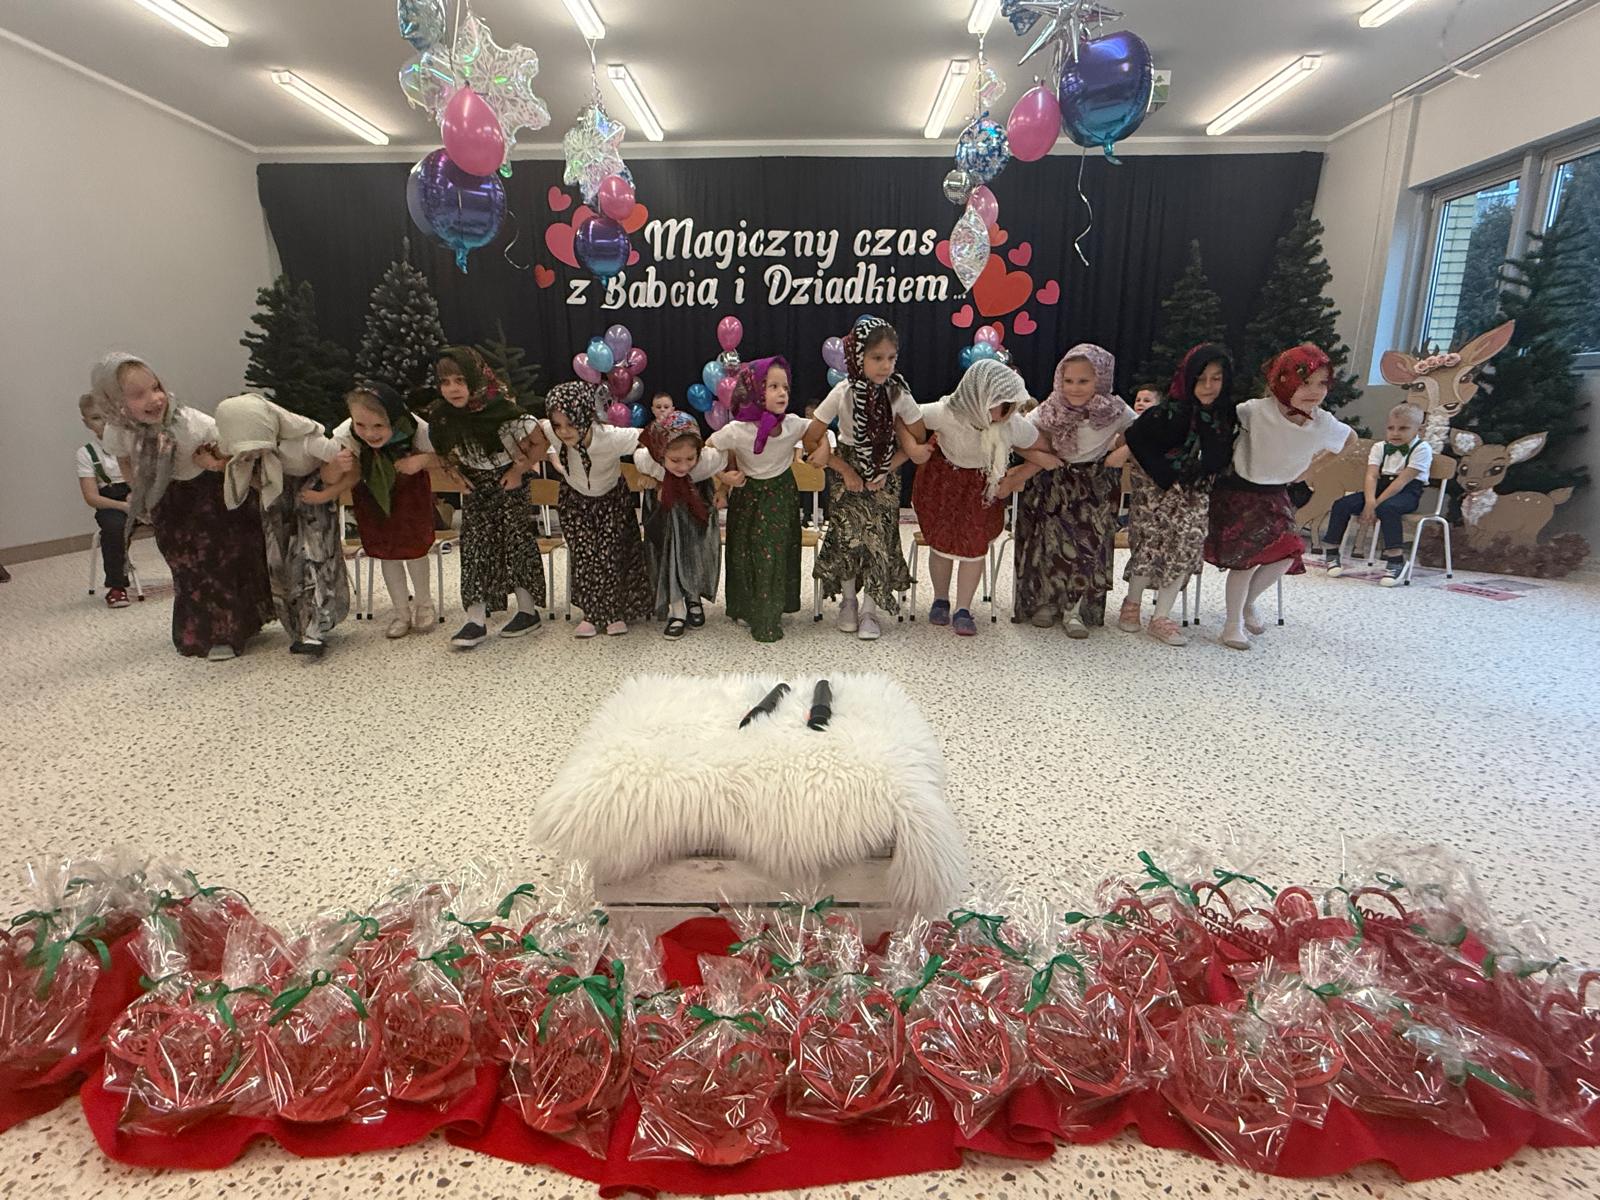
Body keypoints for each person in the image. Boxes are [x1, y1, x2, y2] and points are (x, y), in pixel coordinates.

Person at [91, 352, 272, 659]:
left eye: (156, 387)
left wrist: (213, 463)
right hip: (167, 499)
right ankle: (199, 630)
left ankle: (227, 633)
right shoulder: (118, 430)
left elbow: (232, 451)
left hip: (208, 494)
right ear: (115, 402)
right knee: (184, 565)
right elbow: (125, 460)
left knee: (216, 561)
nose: (155, 399)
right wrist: (139, 493)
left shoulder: (190, 423)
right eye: (138, 395)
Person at [1205, 344, 1356, 650]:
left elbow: (1350, 440)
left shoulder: (1322, 421)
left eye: (1322, 383)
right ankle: (1232, 624)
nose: (1314, 391)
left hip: (1276, 494)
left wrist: (1313, 468)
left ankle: (1248, 603)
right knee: (1245, 562)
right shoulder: (1255, 411)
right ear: (1283, 381)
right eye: (1304, 383)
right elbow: (1216, 424)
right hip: (1241, 492)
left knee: (1287, 554)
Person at [901, 359, 1043, 636]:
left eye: (1011, 405)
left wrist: (1020, 474)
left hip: (981, 489)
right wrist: (912, 448)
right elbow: (905, 418)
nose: (1007, 412)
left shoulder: (1010, 424)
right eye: (1002, 404)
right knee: (941, 546)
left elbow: (1041, 446)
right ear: (980, 396)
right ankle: (940, 599)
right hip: (943, 485)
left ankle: (963, 609)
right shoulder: (946, 412)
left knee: (974, 550)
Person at [1010, 345, 1136, 637]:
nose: (1074, 388)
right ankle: (1046, 602)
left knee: (1085, 548)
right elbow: (1016, 437)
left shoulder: (1114, 409)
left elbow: (1144, 432)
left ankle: (1073, 609)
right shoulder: (1050, 407)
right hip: (1053, 483)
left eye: (1083, 381)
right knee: (1048, 543)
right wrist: (1040, 458)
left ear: (1101, 379)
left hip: (1094, 485)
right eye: (1068, 380)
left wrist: (1123, 451)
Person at [1118, 344, 1239, 647]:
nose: (1208, 386)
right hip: (1155, 492)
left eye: (1216, 378)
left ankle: (1162, 616)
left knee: (1184, 548)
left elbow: (1219, 457)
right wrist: (1166, 477)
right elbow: (1136, 441)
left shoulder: (1224, 417)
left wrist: (1196, 475)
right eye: (1201, 378)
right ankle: (1132, 603)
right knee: (1149, 546)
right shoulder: (1165, 413)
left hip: (1194, 494)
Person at [803, 317, 917, 640]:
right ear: (858, 357)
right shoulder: (843, 392)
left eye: (891, 358)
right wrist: (844, 469)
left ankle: (870, 609)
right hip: (849, 469)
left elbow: (919, 441)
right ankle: (849, 602)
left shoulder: (898, 393)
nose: (885, 365)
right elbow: (812, 437)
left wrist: (887, 468)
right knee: (848, 537)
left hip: (885, 472)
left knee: (878, 539)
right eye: (877, 357)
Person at [427, 346, 547, 648]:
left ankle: (527, 611)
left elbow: (539, 442)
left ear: (475, 378)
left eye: (460, 380)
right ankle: (475, 619)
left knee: (515, 543)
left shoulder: (502, 410)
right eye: (445, 382)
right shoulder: (442, 416)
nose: (453, 389)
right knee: (474, 547)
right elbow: (443, 452)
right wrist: (456, 476)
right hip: (476, 485)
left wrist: (518, 471)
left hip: (508, 481)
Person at [214, 393, 350, 657]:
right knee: (280, 565)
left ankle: (315, 628)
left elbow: (343, 467)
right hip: (276, 507)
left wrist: (328, 485)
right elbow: (254, 480)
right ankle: (296, 628)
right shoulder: (246, 451)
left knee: (313, 561)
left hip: (312, 503)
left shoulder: (307, 440)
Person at [307, 383, 441, 638]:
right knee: (386, 554)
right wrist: (337, 464)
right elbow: (328, 476)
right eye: (361, 425)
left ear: (393, 418)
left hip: (410, 495)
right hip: (372, 498)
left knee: (415, 550)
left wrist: (422, 460)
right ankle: (401, 612)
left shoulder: (415, 427)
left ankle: (424, 604)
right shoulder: (345, 434)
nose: (369, 433)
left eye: (379, 426)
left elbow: (444, 458)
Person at [710, 356, 811, 642]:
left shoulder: (792, 424)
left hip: (780, 495)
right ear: (755, 390)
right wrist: (724, 477)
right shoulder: (737, 430)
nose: (782, 393)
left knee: (772, 553)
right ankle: (746, 607)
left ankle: (769, 614)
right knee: (745, 552)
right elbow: (706, 450)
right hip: (748, 496)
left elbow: (822, 432)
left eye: (785, 387)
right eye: (773, 386)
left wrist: (823, 451)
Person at [542, 382, 653, 638]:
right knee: (584, 555)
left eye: (571, 423)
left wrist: (649, 471)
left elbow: (649, 439)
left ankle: (614, 613)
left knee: (610, 554)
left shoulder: (611, 437)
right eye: (558, 425)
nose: (564, 431)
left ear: (586, 415)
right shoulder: (551, 431)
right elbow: (535, 429)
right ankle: (591, 613)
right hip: (574, 500)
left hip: (611, 500)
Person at [632, 412, 727, 638]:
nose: (683, 466)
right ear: (660, 454)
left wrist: (724, 486)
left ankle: (693, 598)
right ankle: (677, 610)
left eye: (690, 459)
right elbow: (639, 461)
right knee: (670, 557)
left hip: (695, 512)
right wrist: (653, 482)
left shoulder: (708, 461)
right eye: (675, 460)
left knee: (694, 554)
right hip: (666, 515)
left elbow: (726, 454)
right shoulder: (648, 460)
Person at [1321, 402, 1432, 586]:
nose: (1395, 433)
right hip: (1378, 488)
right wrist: (1369, 502)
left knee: (1388, 508)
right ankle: (1332, 553)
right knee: (1342, 504)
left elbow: (1401, 482)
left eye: (1403, 428)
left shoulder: (1422, 449)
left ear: (1419, 430)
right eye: (1391, 428)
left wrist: (1375, 505)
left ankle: (1396, 560)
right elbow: (1372, 475)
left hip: (1407, 491)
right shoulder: (1380, 447)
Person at [76, 392, 132, 607]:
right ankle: (117, 587)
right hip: (110, 501)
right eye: (96, 418)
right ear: (87, 423)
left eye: (108, 415)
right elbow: (91, 497)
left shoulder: (131, 442)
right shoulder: (86, 453)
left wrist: (137, 495)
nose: (105, 422)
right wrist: (122, 506)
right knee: (114, 527)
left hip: (136, 493)